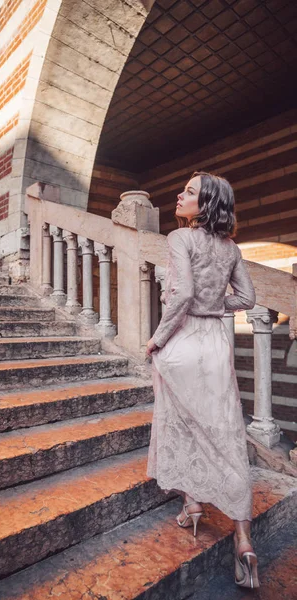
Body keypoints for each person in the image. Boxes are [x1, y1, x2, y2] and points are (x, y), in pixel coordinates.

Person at [145, 171, 259, 589]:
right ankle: (243, 540)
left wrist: (156, 340)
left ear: (206, 204)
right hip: (215, 345)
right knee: (225, 431)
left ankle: (192, 505)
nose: (179, 194)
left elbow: (182, 295)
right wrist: (217, 305)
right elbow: (247, 299)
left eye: (189, 192)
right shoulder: (231, 249)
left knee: (182, 424)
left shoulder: (180, 239)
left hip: (184, 340)